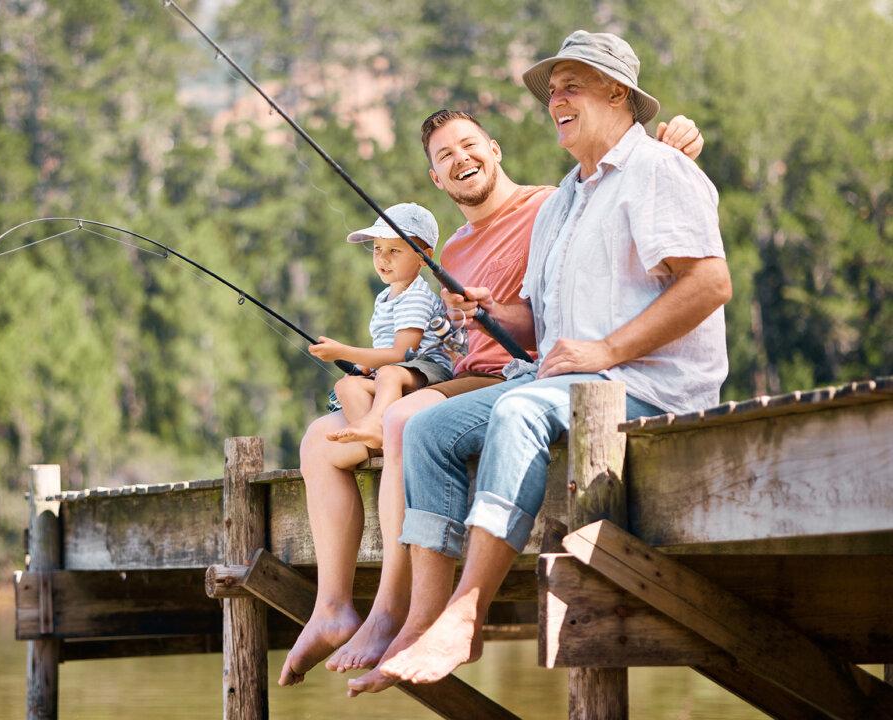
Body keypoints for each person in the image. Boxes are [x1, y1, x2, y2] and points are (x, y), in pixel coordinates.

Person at [281, 106, 705, 688]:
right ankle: (333, 606)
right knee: (318, 437)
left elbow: (552, 316)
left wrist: (675, 144)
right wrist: (472, 315)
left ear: (496, 147)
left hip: (528, 378)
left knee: (408, 418)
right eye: (444, 156)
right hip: (471, 375)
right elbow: (504, 324)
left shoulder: (551, 206)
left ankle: (395, 612)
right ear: (434, 177)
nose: (461, 160)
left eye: (468, 145)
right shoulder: (450, 251)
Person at [364, 30, 732, 692]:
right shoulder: (565, 196)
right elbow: (541, 323)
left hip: (645, 387)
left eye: (571, 86)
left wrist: (607, 350)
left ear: (617, 93)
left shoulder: (658, 171)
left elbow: (709, 284)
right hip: (569, 382)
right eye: (550, 91)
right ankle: (422, 618)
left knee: (519, 407)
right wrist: (492, 313)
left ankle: (467, 613)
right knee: (425, 429)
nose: (554, 101)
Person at [309, 203, 453, 449]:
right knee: (346, 386)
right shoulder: (384, 297)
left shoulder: (415, 296)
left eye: (394, 250)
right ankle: (377, 444)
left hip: (428, 373)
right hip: (397, 373)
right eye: (377, 249)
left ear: (424, 257)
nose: (383, 258)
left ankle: (377, 426)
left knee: (388, 373)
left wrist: (342, 352)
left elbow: (401, 354)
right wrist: (361, 367)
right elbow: (384, 345)